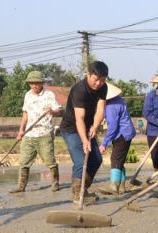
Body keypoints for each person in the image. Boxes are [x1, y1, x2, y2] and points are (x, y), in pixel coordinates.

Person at [59, 61, 108, 205]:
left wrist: (95, 126)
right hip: (71, 129)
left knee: (96, 159)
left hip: (87, 128)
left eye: (102, 80)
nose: (99, 83)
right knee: (81, 161)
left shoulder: (103, 88)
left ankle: (83, 190)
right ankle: (77, 195)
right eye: (96, 79)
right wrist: (85, 141)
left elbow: (100, 110)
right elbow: (79, 118)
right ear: (89, 74)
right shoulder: (79, 89)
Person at [9, 71, 61, 193]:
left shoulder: (49, 95)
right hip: (29, 134)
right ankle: (21, 186)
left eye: (36, 83)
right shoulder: (27, 95)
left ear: (41, 83)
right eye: (31, 83)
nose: (34, 86)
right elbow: (25, 114)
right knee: (23, 162)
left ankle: (55, 182)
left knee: (49, 160)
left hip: (44, 134)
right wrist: (21, 130)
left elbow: (58, 109)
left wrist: (52, 111)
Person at [99, 83, 136, 195]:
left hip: (122, 134)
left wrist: (104, 143)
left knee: (115, 159)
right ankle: (122, 186)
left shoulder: (111, 106)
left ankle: (114, 186)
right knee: (120, 160)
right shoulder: (118, 99)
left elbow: (112, 127)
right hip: (125, 133)